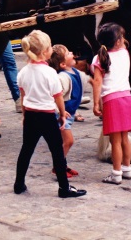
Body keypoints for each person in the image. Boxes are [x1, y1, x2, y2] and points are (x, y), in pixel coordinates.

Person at [14, 30, 87, 199]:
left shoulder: (23, 72)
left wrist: (24, 115)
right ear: (45, 51)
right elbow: (58, 97)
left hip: (31, 115)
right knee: (56, 152)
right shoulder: (49, 73)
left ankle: (19, 183)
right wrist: (62, 114)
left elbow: (23, 96)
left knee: (26, 150)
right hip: (47, 116)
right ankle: (64, 187)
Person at [91, 23, 131, 185]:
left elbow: (97, 82)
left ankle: (116, 173)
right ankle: (127, 169)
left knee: (115, 142)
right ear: (119, 42)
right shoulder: (124, 53)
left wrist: (95, 103)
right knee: (125, 139)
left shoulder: (99, 58)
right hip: (126, 99)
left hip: (111, 101)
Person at [49, 44, 84, 178]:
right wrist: (59, 110)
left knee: (63, 142)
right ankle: (57, 167)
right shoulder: (63, 77)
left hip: (68, 114)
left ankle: (61, 165)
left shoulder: (73, 72)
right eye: (68, 53)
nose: (72, 53)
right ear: (63, 64)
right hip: (61, 116)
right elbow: (54, 96)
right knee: (68, 141)